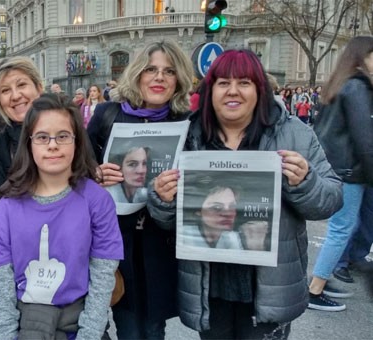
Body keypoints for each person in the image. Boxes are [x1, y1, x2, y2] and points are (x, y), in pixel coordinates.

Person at [151, 49, 342, 339]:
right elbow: (167, 220)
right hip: (209, 290)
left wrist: (305, 181)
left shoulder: (294, 134)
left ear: (259, 89)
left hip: (267, 292)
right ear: (210, 89)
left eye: (244, 82)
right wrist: (163, 199)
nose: (233, 91)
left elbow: (330, 199)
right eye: (223, 83)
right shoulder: (187, 137)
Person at [0, 94, 123, 339]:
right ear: (29, 143)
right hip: (23, 326)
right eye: (42, 137)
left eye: (62, 136)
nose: (52, 145)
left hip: (78, 326)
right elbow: (2, 288)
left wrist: (88, 335)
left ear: (76, 142)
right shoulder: (6, 208)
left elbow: (103, 277)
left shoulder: (97, 201)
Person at [87, 40, 194, 339]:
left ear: (179, 79)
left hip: (161, 241)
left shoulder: (185, 122)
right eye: (151, 69)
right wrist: (95, 172)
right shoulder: (107, 114)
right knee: (129, 325)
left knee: (153, 326)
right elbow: (79, 166)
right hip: (116, 239)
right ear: (137, 74)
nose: (159, 77)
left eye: (168, 71)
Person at [308, 35, 373, 311]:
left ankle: (320, 279)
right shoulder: (357, 88)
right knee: (340, 230)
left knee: (340, 228)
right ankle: (314, 290)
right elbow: (365, 139)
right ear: (362, 57)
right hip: (350, 171)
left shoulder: (339, 84)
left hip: (336, 168)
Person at [0, 56, 44, 220]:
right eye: (5, 90)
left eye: (22, 85)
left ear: (39, 88)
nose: (16, 95)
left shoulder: (68, 126)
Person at [181, 182, 243, 250]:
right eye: (217, 207)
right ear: (198, 210)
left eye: (232, 206)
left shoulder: (232, 237)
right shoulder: (183, 236)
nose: (228, 213)